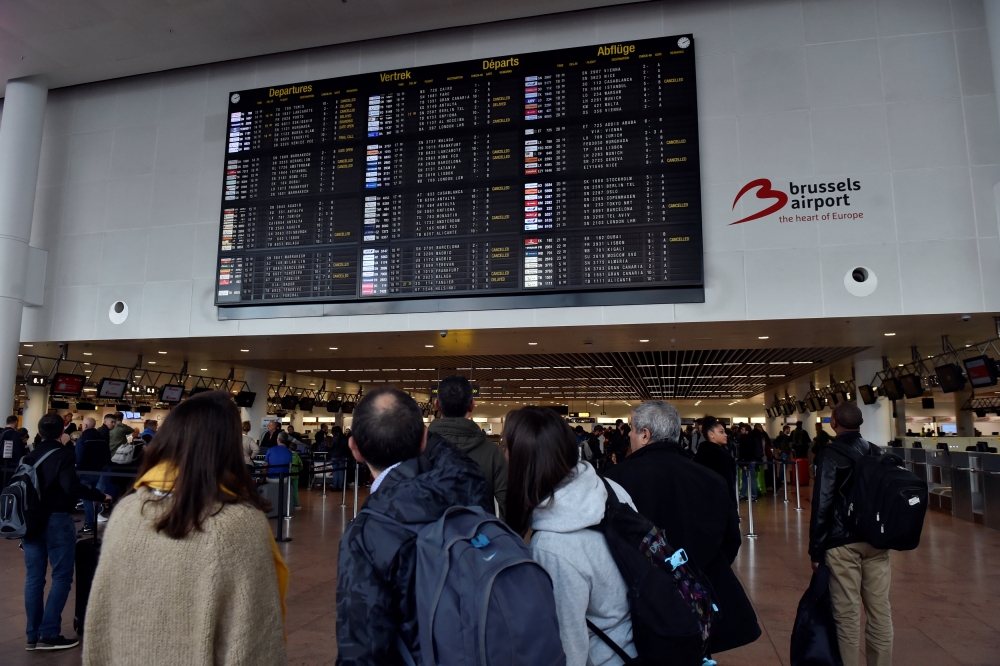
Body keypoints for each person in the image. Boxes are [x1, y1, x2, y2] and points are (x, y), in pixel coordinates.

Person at [81, 391, 286, 664]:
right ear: (228, 446)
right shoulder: (239, 523)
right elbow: (253, 640)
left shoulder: (125, 512)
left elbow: (100, 619)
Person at [336, 386, 489, 664]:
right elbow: (460, 465)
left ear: (355, 449)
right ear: (423, 440)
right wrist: (425, 435)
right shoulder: (468, 486)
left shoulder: (367, 534)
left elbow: (362, 650)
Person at [604, 401, 761, 658]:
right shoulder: (710, 479)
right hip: (695, 604)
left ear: (645, 434)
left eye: (633, 429)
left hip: (639, 607)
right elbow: (731, 540)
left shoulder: (616, 479)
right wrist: (696, 574)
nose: (630, 435)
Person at [506, 406, 637, 666]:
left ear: (524, 461)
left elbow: (569, 642)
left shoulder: (552, 545)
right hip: (642, 640)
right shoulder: (611, 490)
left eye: (507, 447)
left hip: (607, 657)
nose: (505, 455)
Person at [808, 402, 890, 666]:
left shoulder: (830, 454)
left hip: (842, 543)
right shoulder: (875, 451)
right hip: (876, 542)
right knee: (880, 612)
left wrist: (816, 549)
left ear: (834, 423)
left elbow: (823, 503)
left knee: (847, 615)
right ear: (861, 423)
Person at [21, 414, 111, 651]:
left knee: (34, 578)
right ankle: (49, 633)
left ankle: (32, 635)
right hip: (56, 520)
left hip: (30, 522)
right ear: (62, 431)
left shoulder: (29, 456)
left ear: (39, 433)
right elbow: (70, 486)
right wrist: (101, 496)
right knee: (61, 576)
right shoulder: (63, 454)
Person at [427, 373, 509, 518]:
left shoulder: (416, 450)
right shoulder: (493, 453)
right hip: (480, 537)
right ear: (472, 404)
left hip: (426, 538)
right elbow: (508, 507)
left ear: (437, 404)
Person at [74, 417, 111, 535]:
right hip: (98, 472)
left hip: (85, 472)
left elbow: (78, 458)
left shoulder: (82, 440)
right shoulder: (102, 439)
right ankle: (94, 519)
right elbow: (107, 457)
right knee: (95, 496)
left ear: (84, 426)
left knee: (86, 499)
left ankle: (90, 524)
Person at [694, 415, 738, 507]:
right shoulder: (719, 455)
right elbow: (725, 483)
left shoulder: (702, 453)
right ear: (711, 434)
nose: (725, 435)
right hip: (720, 503)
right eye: (721, 432)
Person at [736, 423, 761, 501]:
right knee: (750, 478)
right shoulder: (752, 438)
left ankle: (747, 495)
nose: (741, 430)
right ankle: (749, 495)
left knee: (747, 479)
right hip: (751, 461)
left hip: (747, 461)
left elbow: (746, 452)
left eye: (743, 429)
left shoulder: (745, 439)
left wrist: (745, 463)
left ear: (747, 431)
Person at [288, 441, 304, 509]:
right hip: (296, 475)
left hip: (288, 475)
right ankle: (296, 504)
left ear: (289, 448)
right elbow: (301, 466)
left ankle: (287, 503)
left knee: (287, 489)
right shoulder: (297, 457)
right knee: (295, 490)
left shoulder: (288, 456)